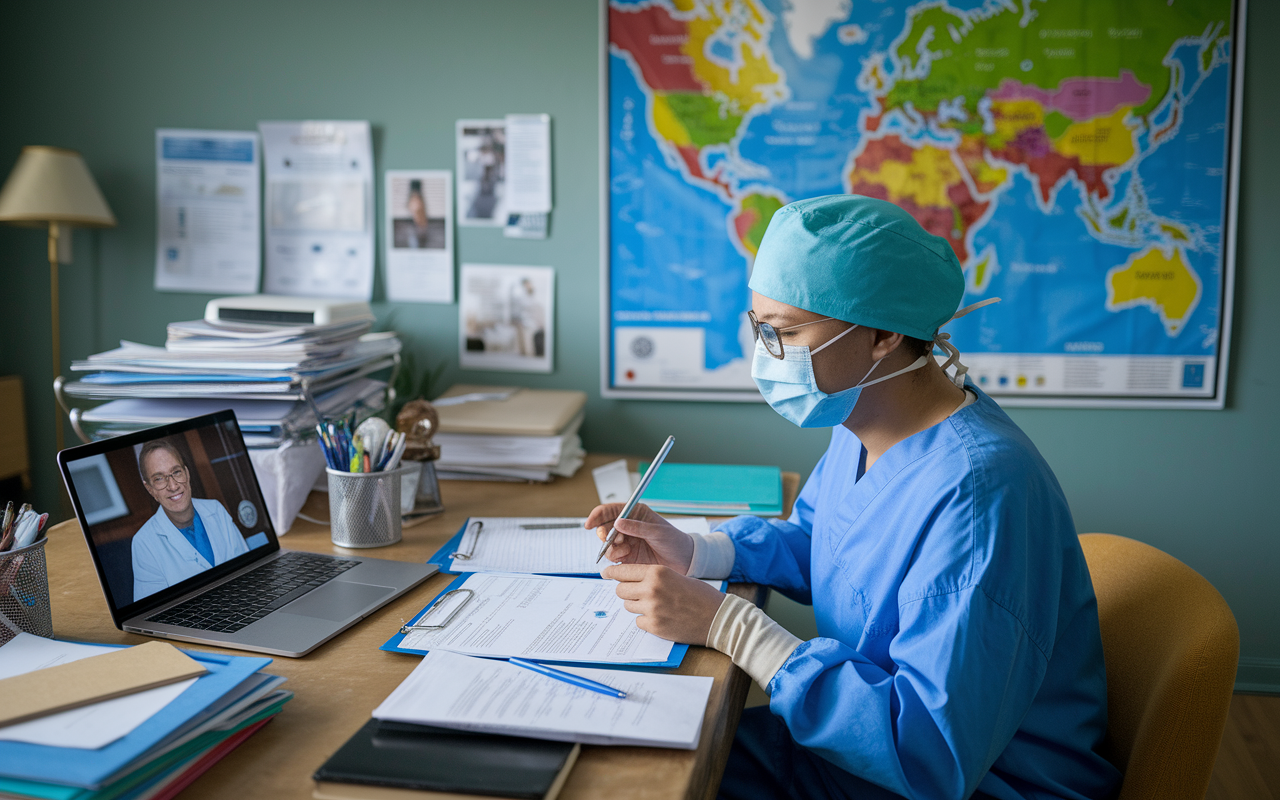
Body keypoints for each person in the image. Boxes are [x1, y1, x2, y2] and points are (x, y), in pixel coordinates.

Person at [588, 195, 1121, 800]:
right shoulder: (866, 424)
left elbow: (929, 752)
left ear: (884, 335)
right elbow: (829, 542)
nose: (764, 352)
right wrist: (697, 552)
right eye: (758, 326)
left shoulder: (980, 494)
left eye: (784, 332)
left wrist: (731, 627)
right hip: (851, 751)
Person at [131, 440, 249, 603]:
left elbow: (248, 571)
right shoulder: (143, 543)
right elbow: (152, 609)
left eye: (176, 472)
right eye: (159, 478)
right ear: (150, 489)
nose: (173, 486)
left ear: (187, 473)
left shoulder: (215, 509)